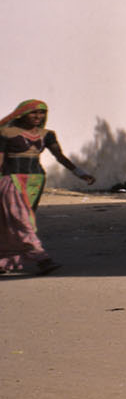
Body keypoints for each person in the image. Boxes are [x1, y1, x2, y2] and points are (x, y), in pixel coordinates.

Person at [1, 99, 94, 277]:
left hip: (35, 182)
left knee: (18, 220)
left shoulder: (47, 135)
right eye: (33, 112)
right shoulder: (6, 133)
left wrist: (80, 173)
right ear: (21, 114)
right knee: (21, 220)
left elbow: (60, 156)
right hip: (11, 180)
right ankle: (41, 258)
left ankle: (5, 261)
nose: (38, 116)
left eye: (42, 112)